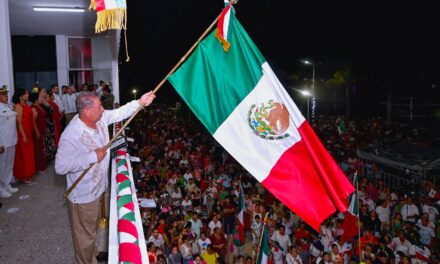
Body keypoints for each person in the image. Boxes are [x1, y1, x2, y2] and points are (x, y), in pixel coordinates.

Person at [55, 91, 155, 264]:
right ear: (86, 111)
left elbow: (119, 113)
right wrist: (92, 157)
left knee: (91, 230)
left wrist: (140, 102)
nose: (103, 109)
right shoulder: (71, 134)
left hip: (99, 187)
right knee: (84, 237)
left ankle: (92, 252)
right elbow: (60, 166)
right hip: (83, 195)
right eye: (99, 106)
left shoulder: (99, 119)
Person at [13, 88, 36, 183]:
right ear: (20, 96)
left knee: (29, 154)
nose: (27, 95)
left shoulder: (26, 105)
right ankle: (23, 176)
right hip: (23, 132)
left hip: (28, 131)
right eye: (26, 94)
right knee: (24, 154)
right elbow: (19, 122)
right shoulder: (18, 106)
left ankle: (28, 174)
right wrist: (23, 135)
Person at [0, 85, 19, 198]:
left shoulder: (8, 106)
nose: (6, 96)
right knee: (1, 166)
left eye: (6, 94)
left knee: (8, 165)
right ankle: (1, 189)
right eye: (3, 94)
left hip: (11, 140)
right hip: (3, 142)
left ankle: (7, 185)